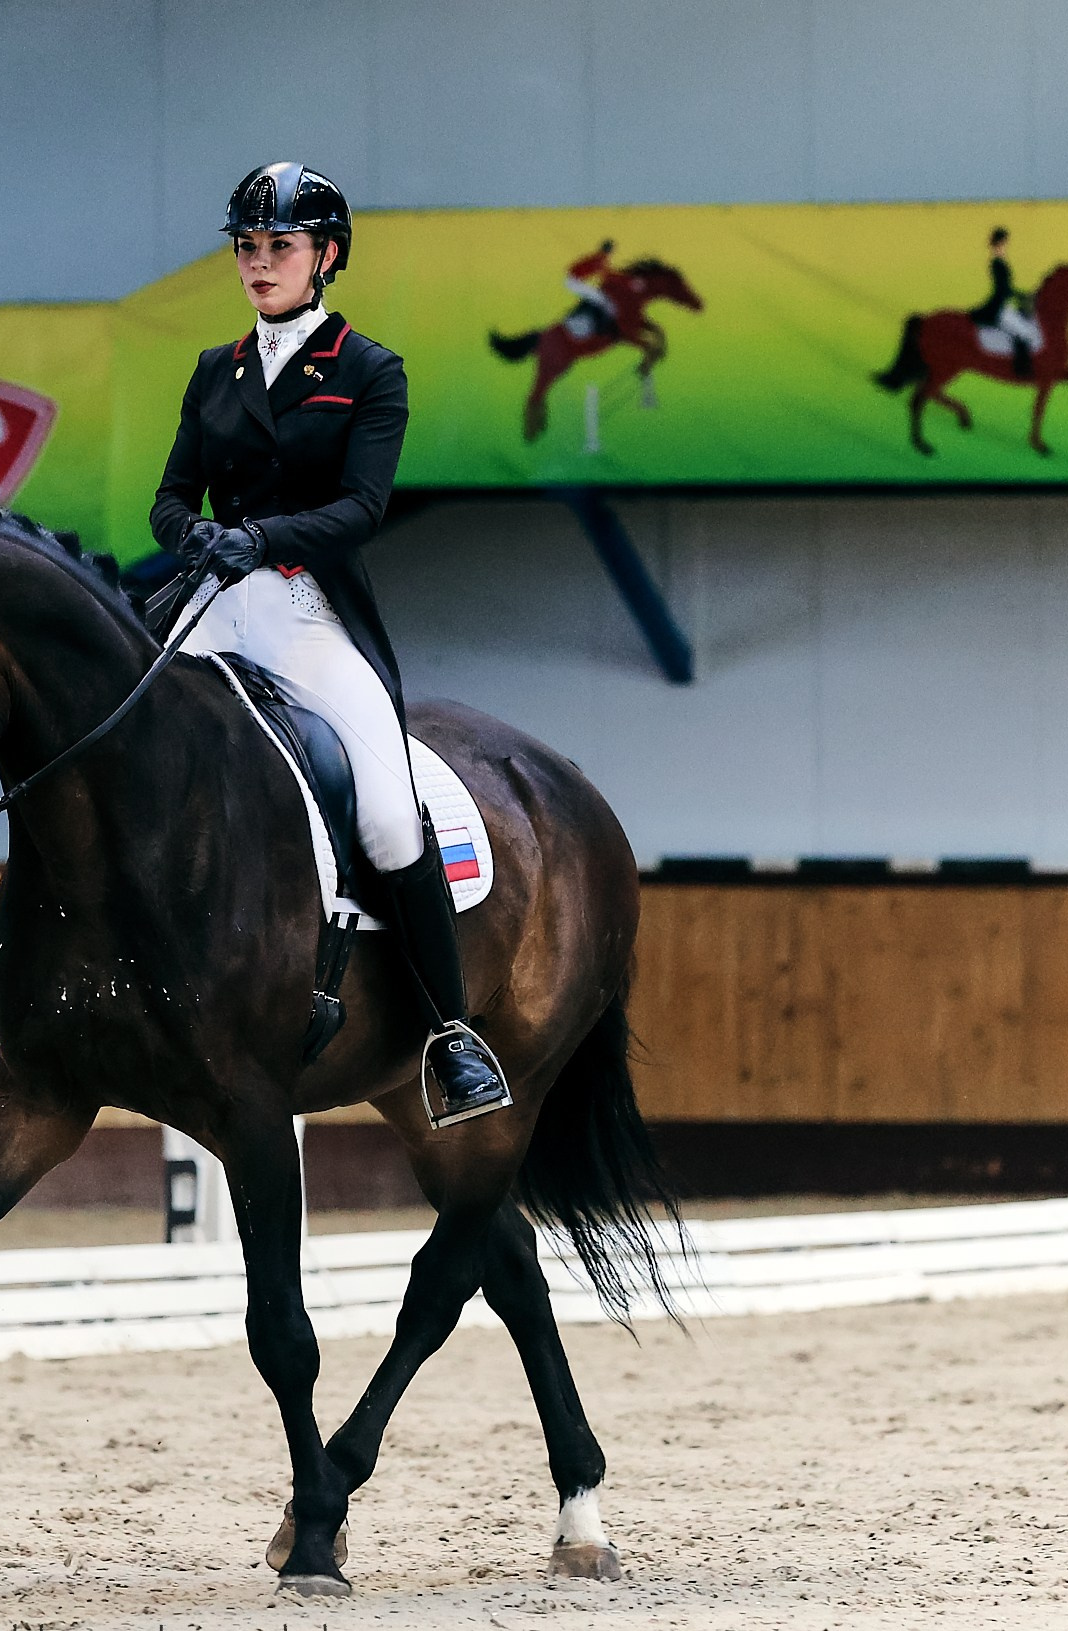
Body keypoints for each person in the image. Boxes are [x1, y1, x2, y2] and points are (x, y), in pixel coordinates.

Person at [148, 161, 510, 1129]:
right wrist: (195, 539)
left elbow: (361, 508)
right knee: (96, 736)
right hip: (209, 601)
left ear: (325, 256)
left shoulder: (366, 369)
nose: (258, 264)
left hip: (306, 606)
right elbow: (170, 495)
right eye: (246, 248)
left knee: (390, 815)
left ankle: (450, 1035)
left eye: (278, 247)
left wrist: (260, 538)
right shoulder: (212, 370)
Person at [969, 226, 1040, 379]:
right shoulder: (997, 263)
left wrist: (1023, 295)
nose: (1006, 245)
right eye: (1004, 242)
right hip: (999, 308)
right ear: (1000, 243)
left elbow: (1006, 289)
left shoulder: (1000, 261)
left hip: (1004, 305)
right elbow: (1003, 289)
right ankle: (1021, 370)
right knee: (1025, 333)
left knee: (1026, 329)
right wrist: (1023, 296)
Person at [565, 238, 621, 340]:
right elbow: (606, 275)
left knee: (597, 296)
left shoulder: (599, 256)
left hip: (574, 280)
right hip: (574, 282)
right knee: (601, 299)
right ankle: (600, 327)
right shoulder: (600, 259)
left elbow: (606, 273)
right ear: (609, 250)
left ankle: (578, 315)